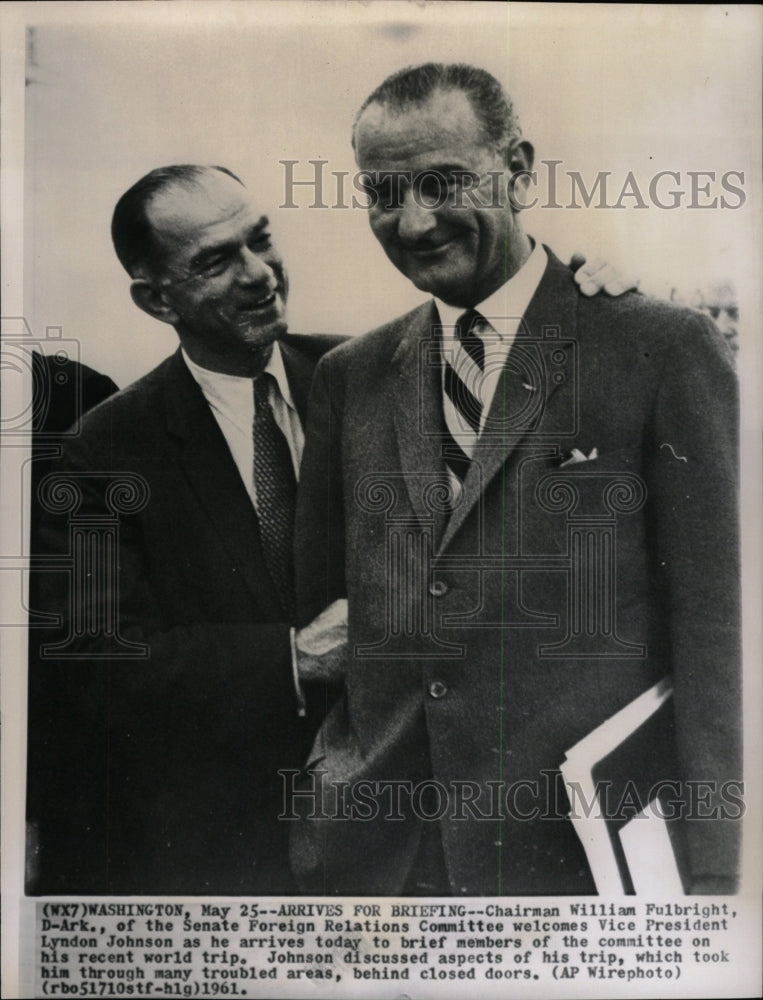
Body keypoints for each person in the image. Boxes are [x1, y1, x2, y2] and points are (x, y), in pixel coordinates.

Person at [292, 63, 741, 896]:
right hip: (387, 865)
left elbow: (718, 630)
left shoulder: (656, 346)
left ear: (519, 168)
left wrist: (716, 866)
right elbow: (326, 606)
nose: (414, 220)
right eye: (384, 193)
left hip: (578, 860)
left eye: (442, 182)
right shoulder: (350, 376)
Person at [27, 165, 346, 894]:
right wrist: (292, 661)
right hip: (227, 847)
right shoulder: (100, 451)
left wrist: (590, 292)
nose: (258, 275)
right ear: (154, 299)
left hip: (388, 829)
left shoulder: (358, 373)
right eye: (214, 261)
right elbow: (101, 662)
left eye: (260, 241)